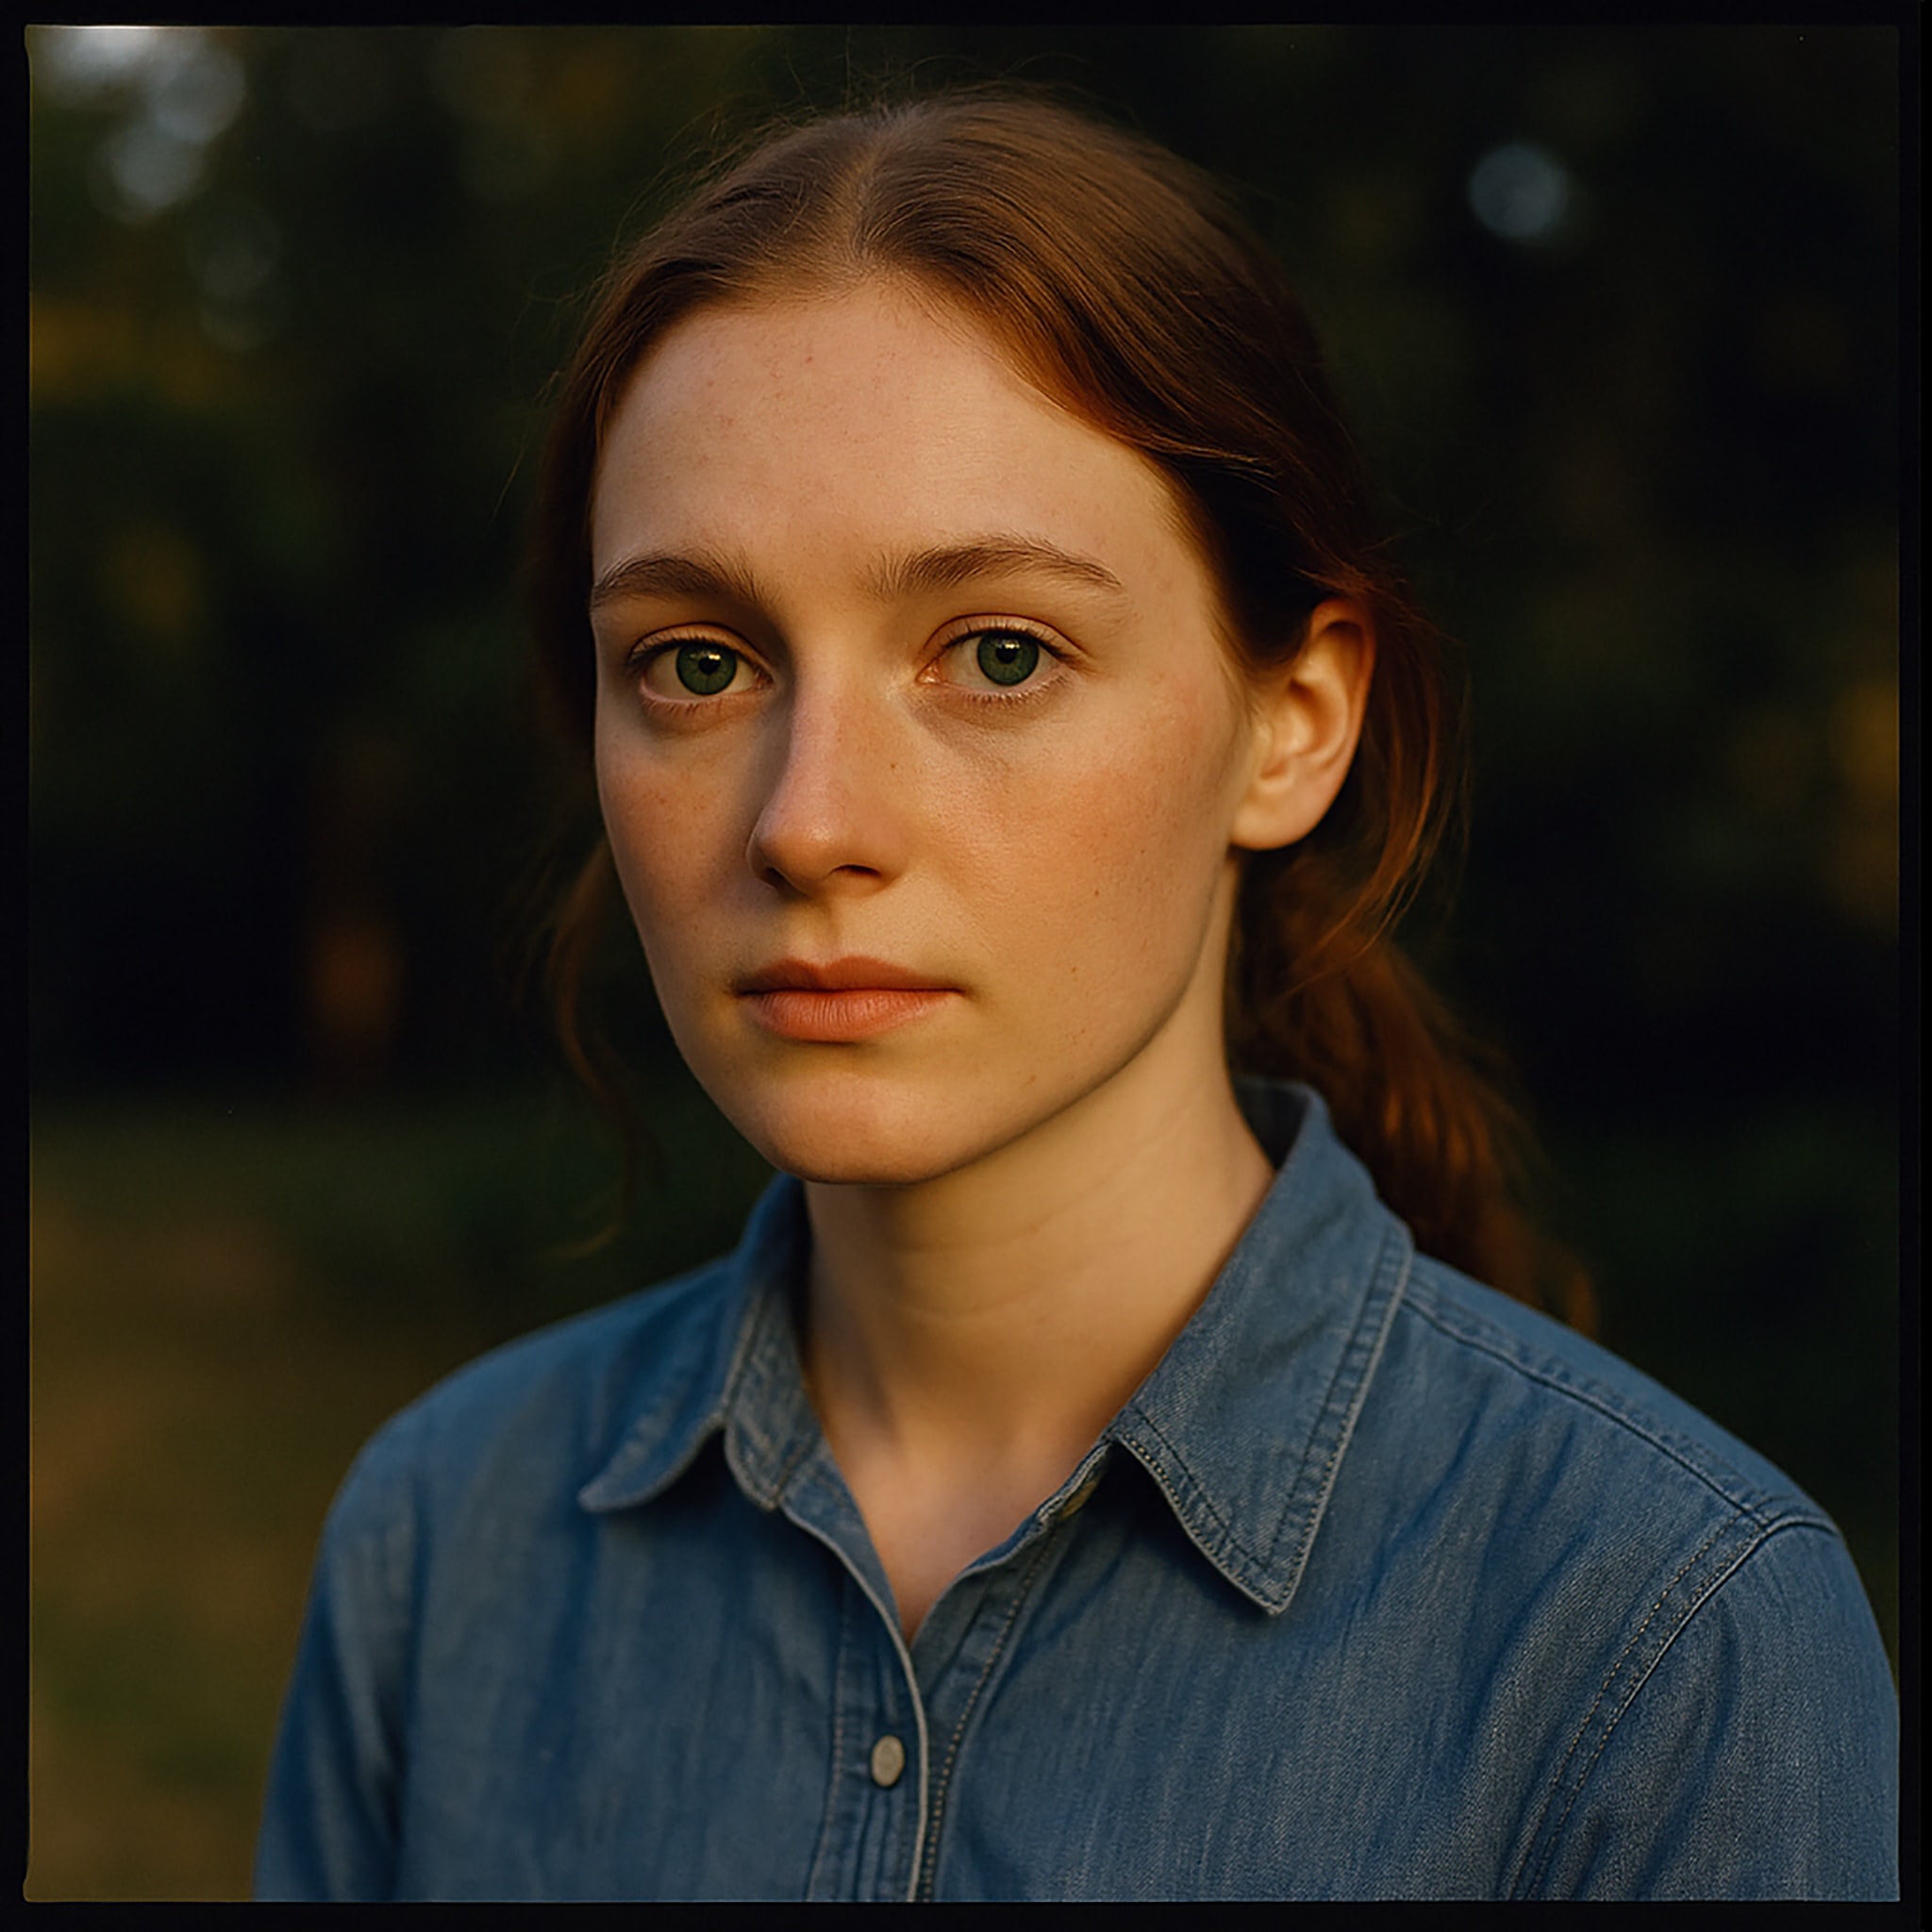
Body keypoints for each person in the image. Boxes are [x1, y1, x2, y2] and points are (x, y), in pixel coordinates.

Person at [253, 90, 1897, 1902]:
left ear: (1297, 723)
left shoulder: (1660, 1650)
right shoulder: (442, 1549)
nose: (808, 826)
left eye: (1000, 652)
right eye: (699, 662)